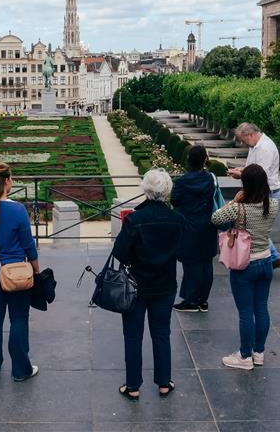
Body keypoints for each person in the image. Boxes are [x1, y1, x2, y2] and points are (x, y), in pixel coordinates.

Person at [112, 169, 185, 401]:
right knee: (161, 333)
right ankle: (164, 382)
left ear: (146, 190)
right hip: (165, 284)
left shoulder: (135, 219)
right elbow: (182, 251)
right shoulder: (177, 219)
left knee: (133, 336)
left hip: (136, 285)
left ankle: (133, 386)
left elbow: (119, 253)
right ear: (167, 191)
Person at [0, 162, 40, 382]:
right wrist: (36, 270)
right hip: (16, 272)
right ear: (6, 182)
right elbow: (29, 245)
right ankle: (21, 370)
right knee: (19, 319)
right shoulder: (17, 210)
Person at [213, 164, 280, 370]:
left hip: (245, 265)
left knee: (245, 312)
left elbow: (215, 218)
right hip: (266, 262)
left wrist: (235, 200)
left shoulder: (238, 208)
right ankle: (258, 352)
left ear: (245, 185)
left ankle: (244, 356)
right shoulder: (273, 205)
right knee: (261, 308)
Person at [227, 122, 280, 268]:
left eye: (244, 140)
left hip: (267, 193)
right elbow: (252, 168)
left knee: (256, 228)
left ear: (251, 134)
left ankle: (274, 257)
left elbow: (259, 176)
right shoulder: (256, 146)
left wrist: (240, 175)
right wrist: (241, 170)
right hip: (261, 192)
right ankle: (274, 258)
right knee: (257, 227)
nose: (244, 143)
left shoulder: (265, 148)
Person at [171, 145, 218, 313]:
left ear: (188, 160)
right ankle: (203, 300)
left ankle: (191, 301)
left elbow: (175, 200)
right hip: (208, 225)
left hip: (189, 225)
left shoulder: (182, 181)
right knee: (206, 263)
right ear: (205, 160)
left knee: (192, 264)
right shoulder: (211, 179)